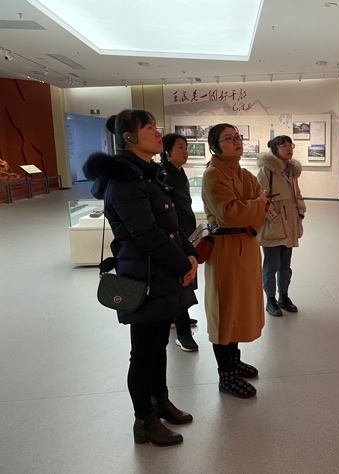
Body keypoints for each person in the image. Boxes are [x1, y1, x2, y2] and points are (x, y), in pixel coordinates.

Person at [83, 109, 197, 447]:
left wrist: (189, 252)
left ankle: (160, 401)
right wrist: (182, 264)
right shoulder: (125, 180)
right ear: (129, 137)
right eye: (148, 128)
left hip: (160, 271)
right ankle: (144, 420)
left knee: (159, 344)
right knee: (144, 351)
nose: (157, 132)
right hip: (143, 275)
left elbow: (171, 223)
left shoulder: (148, 173)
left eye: (155, 126)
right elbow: (145, 234)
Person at [201, 123, 269, 398]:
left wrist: (253, 208)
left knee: (239, 307)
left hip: (248, 243)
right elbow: (230, 213)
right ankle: (226, 375)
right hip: (225, 249)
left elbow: (261, 203)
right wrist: (257, 205)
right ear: (215, 147)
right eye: (229, 138)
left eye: (238, 137)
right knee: (225, 310)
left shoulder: (244, 173)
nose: (237, 141)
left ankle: (234, 360)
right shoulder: (212, 175)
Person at [256, 135, 306, 317]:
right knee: (271, 266)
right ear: (275, 150)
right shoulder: (266, 171)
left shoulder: (291, 171)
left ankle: (284, 296)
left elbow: (297, 193)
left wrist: (300, 211)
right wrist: (273, 217)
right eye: (283, 145)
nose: (288, 148)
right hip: (273, 224)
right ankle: (270, 299)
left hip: (290, 223)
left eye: (290, 145)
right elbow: (260, 197)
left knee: (286, 265)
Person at [159, 133, 199, 352]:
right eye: (180, 147)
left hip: (185, 232)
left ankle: (179, 316)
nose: (185, 151)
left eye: (186, 147)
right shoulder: (164, 175)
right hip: (175, 235)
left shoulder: (179, 172)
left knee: (187, 277)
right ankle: (183, 332)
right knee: (181, 280)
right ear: (168, 152)